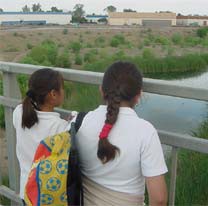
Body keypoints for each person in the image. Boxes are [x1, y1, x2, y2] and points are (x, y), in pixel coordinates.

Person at [74, 61, 168, 206]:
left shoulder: (80, 121)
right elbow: (159, 199)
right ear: (138, 96)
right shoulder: (145, 132)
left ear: (101, 90)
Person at [13, 68, 69, 200]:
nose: (63, 91)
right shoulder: (59, 126)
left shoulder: (19, 112)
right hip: (46, 195)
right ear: (53, 94)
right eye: (62, 88)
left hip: (26, 191)